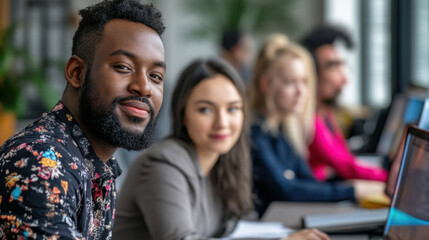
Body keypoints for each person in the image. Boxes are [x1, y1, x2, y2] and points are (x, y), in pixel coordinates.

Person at [0, 0, 166, 239]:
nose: (144, 87)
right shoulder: (41, 160)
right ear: (76, 72)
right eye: (123, 67)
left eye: (155, 75)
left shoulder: (97, 164)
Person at [112, 58, 329, 240]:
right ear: (183, 115)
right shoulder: (162, 164)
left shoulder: (221, 162)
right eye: (205, 109)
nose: (222, 122)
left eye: (233, 109)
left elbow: (226, 231)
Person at [248, 34, 384, 216]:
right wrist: (353, 190)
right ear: (266, 84)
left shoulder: (285, 131)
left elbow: (307, 180)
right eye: (290, 82)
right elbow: (287, 189)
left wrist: (349, 188)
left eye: (304, 82)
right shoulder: (255, 133)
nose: (301, 92)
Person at [301, 25, 388, 182]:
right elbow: (346, 167)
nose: (344, 78)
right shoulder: (308, 119)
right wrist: (396, 180)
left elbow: (346, 157)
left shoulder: (324, 113)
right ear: (311, 72)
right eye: (333, 66)